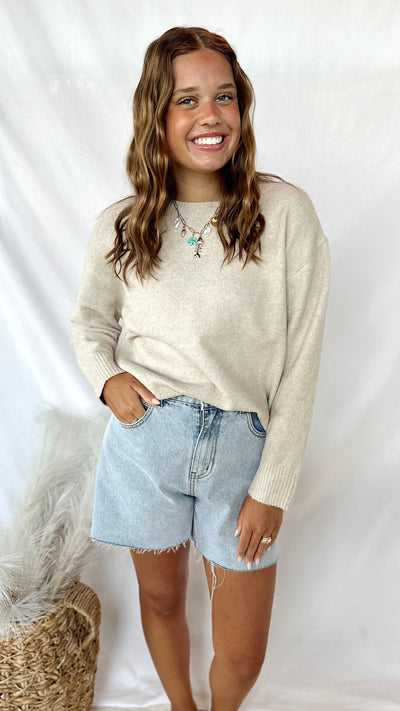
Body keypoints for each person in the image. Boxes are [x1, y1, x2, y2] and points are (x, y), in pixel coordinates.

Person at [71, 25, 330, 711]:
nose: (210, 115)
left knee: (241, 654)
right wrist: (107, 379)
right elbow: (91, 323)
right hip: (145, 445)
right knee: (160, 598)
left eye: (224, 96)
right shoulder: (123, 225)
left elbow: (303, 359)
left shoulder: (285, 214)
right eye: (186, 99)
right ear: (156, 114)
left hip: (243, 454)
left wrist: (273, 485)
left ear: (241, 107)